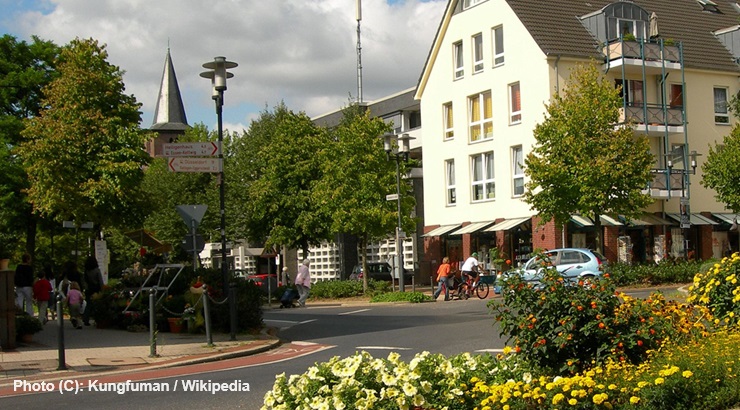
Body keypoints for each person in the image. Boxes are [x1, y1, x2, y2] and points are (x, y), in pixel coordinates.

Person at [83, 256, 103, 326]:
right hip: (96, 289)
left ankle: (85, 318)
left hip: (89, 289)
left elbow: (85, 281)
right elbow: (100, 281)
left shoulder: (86, 271)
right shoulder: (97, 270)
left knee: (88, 305)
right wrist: (102, 289)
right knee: (96, 304)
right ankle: (97, 319)